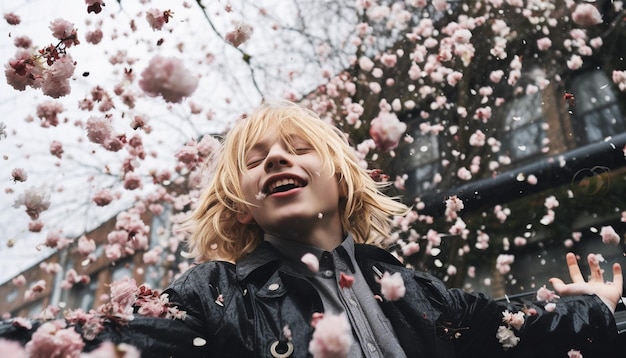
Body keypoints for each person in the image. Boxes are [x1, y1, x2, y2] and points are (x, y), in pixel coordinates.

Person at [1, 99, 624, 357]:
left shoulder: (422, 294)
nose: (276, 159)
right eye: (256, 158)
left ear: (342, 180)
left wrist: (593, 308)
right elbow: (99, 339)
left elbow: (509, 335)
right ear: (242, 205)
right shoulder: (215, 294)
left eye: (298, 149)